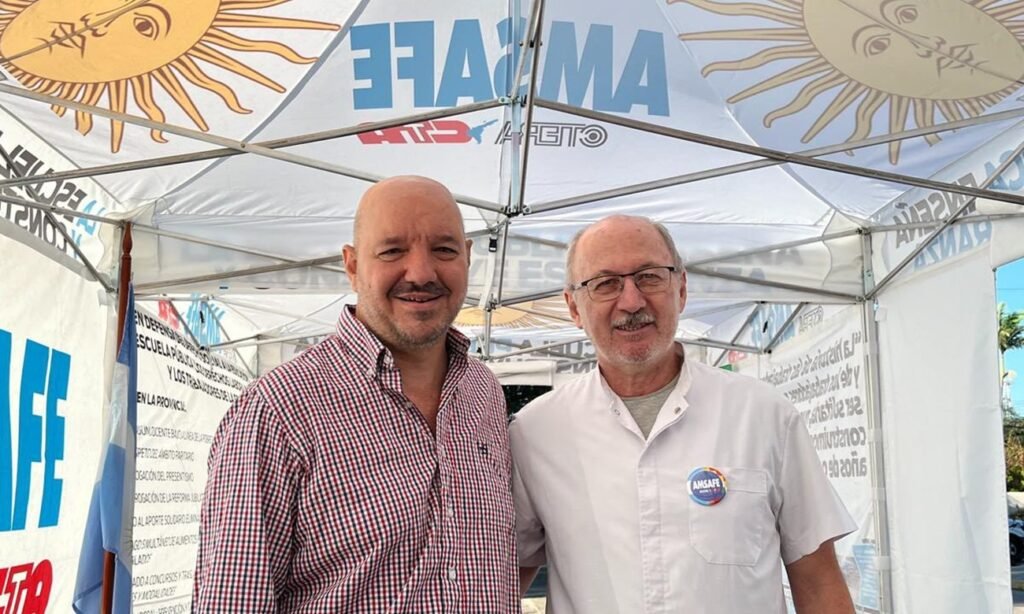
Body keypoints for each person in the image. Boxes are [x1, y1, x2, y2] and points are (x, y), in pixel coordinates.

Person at [193, 176, 519, 612]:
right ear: (351, 266)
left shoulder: (484, 393)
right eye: (392, 251)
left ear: (468, 258)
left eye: (444, 249)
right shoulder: (277, 410)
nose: (421, 273)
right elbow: (234, 603)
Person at [511, 215, 856, 614]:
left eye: (650, 277)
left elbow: (818, 581)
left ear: (681, 289)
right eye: (605, 284)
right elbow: (505, 579)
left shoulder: (764, 415)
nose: (632, 301)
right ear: (574, 307)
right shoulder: (536, 432)